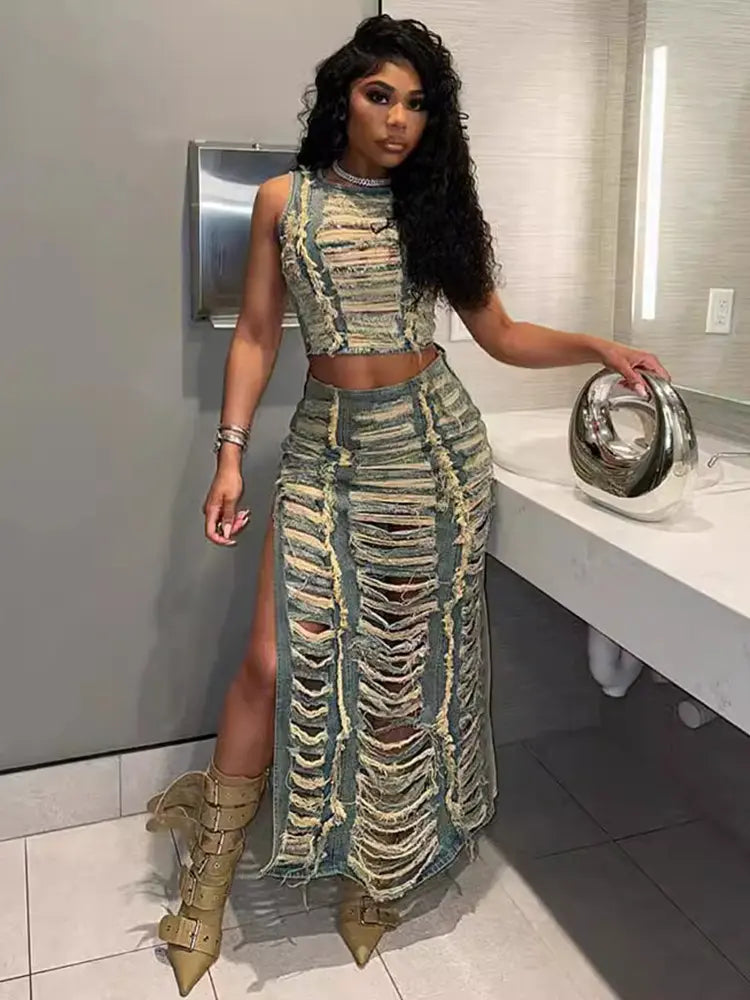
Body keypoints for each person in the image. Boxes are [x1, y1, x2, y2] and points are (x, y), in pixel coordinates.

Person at [146, 14, 668, 996]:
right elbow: (256, 334)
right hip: (325, 452)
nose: (397, 119)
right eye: (379, 95)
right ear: (341, 96)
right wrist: (228, 456)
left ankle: (377, 874)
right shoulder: (283, 201)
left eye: (417, 104)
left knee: (401, 678)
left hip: (431, 453)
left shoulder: (434, 209)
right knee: (268, 661)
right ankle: (204, 885)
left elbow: (500, 334)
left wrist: (599, 347)